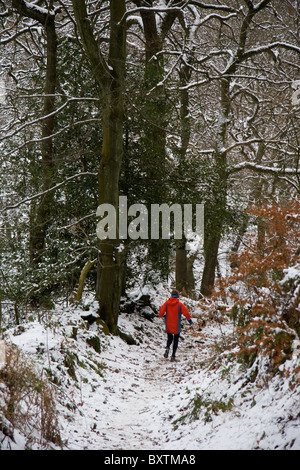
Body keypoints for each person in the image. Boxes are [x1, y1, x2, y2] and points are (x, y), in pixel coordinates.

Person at [159, 289, 193, 361]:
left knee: (170, 338)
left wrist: (162, 316)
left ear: (171, 295)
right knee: (176, 340)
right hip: (176, 325)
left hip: (168, 324)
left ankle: (167, 347)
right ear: (177, 296)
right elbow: (186, 313)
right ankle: (173, 356)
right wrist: (190, 321)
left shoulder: (167, 303)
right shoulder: (180, 305)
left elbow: (161, 313)